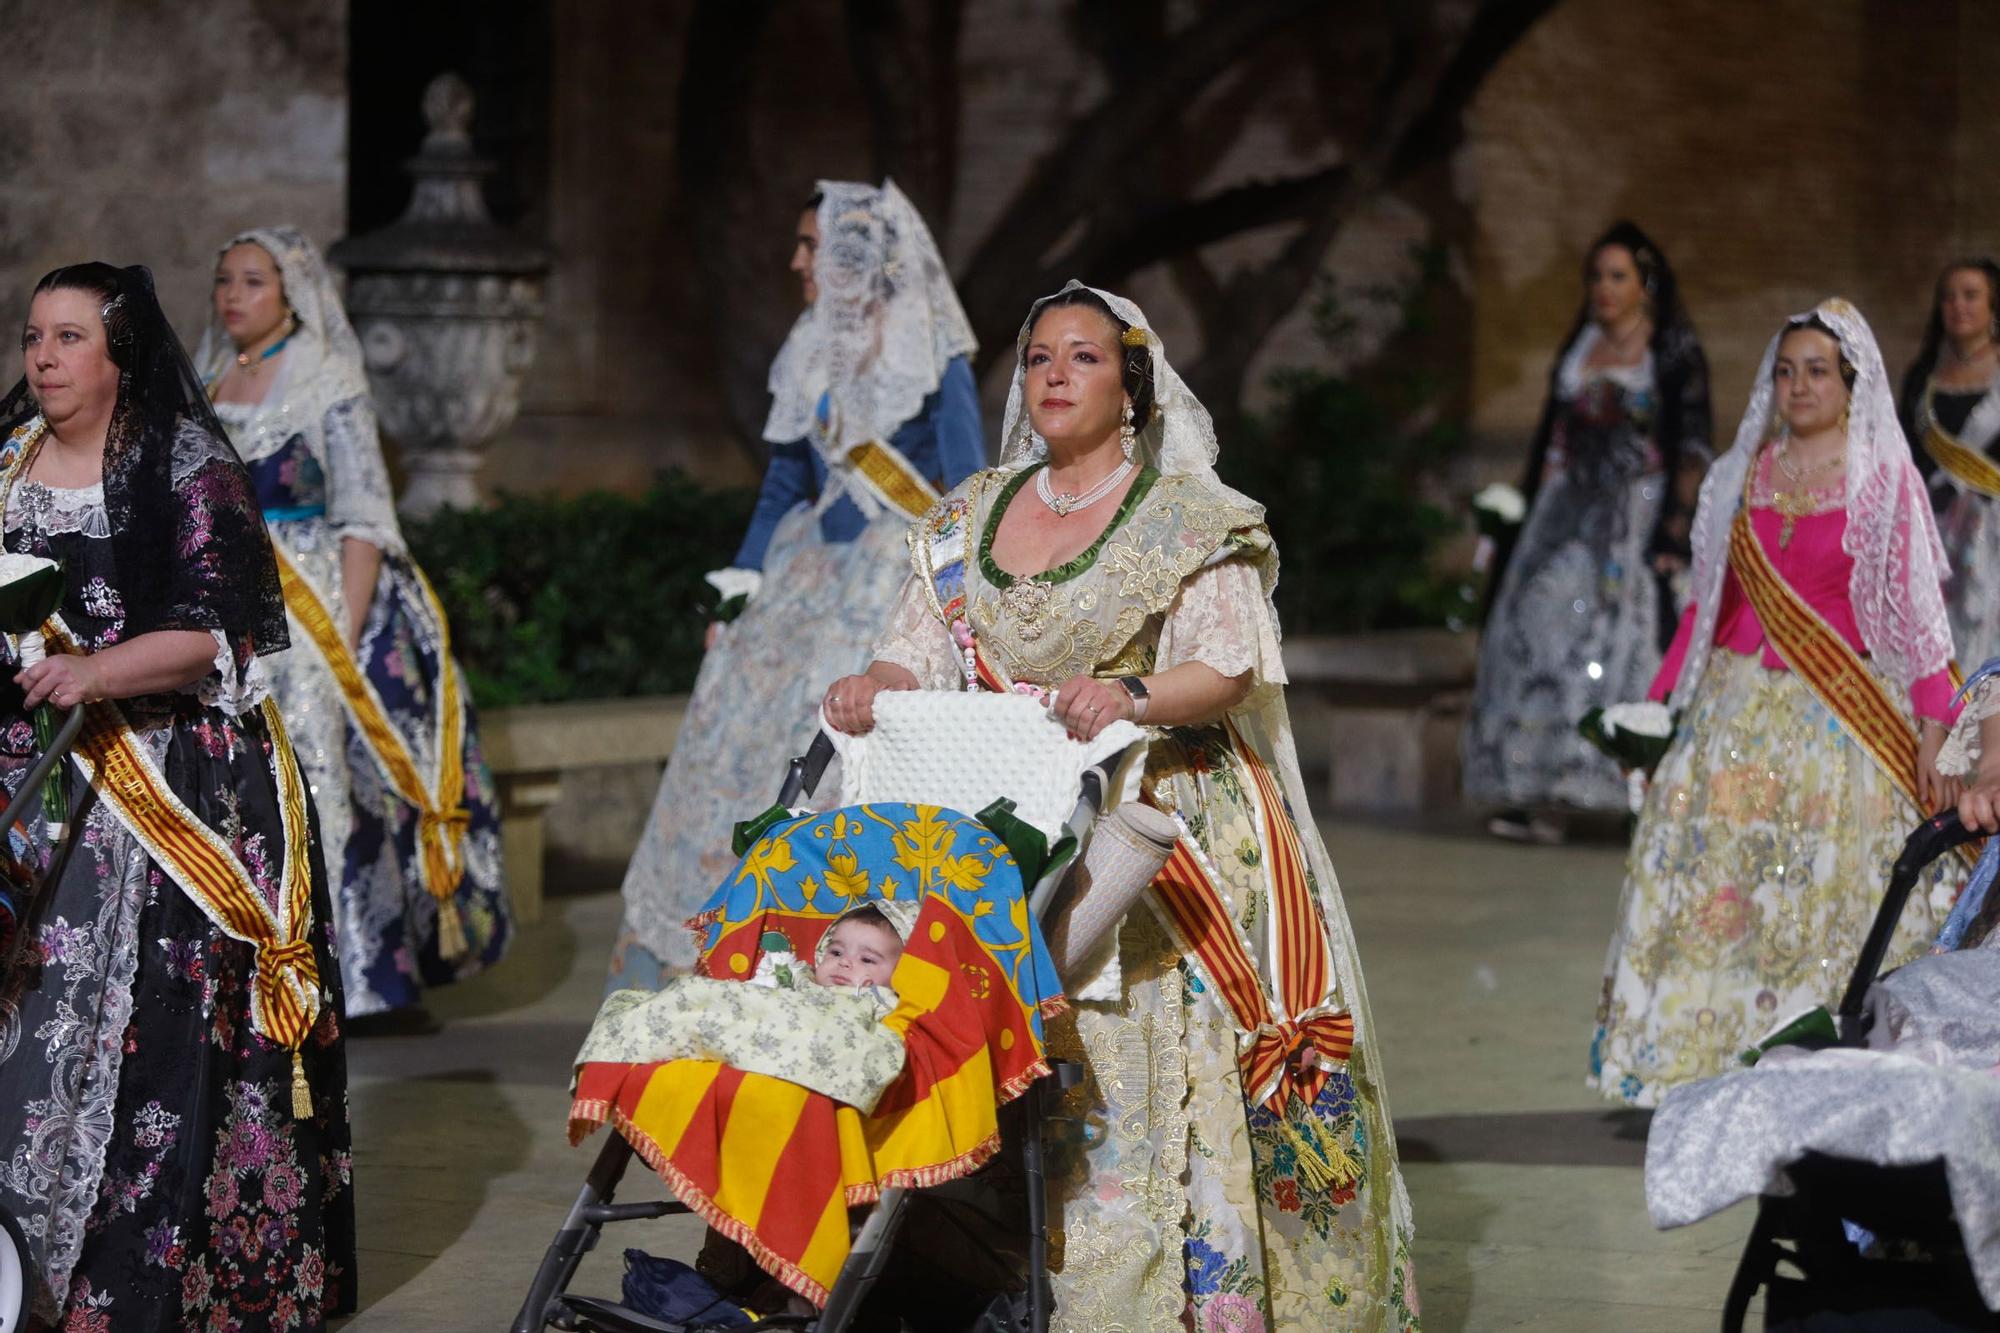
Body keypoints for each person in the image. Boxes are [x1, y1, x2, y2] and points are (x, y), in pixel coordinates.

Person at [822, 282, 1419, 1330]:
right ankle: (993, 1281)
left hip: (1158, 824)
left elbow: (1226, 666)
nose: (1054, 374)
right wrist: (876, 683)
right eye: (1039, 357)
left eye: (1083, 358)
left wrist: (1132, 694)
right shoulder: (970, 512)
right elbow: (916, 643)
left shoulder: (1188, 516)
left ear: (1132, 388)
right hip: (1013, 821)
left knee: (1140, 1078)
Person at [0, 263, 354, 1327]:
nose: (43, 359)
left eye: (68, 339)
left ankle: (126, 1281)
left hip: (166, 772)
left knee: (142, 1029)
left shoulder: (182, 462)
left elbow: (218, 629)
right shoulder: (11, 457)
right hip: (38, 761)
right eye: (33, 337)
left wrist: (95, 672)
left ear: (120, 356)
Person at [1591, 299, 1969, 1107]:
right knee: (1716, 896)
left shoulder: (1881, 479)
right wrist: (1660, 709)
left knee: (1820, 900)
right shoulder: (1743, 473)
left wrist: (1937, 727)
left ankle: (1816, 1069)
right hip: (1731, 717)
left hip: (1839, 728)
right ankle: (1700, 1063)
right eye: (1786, 371)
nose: (1799, 386)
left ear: (1851, 382)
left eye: (1817, 371)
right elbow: (1705, 609)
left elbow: (1917, 623)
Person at [610, 179, 985, 991]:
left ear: (861, 254)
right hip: (802, 578)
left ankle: (823, 960)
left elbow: (967, 491)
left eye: (811, 245)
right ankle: (706, 955)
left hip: (889, 589)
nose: (797, 261)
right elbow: (784, 481)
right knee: (733, 760)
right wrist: (741, 582)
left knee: (835, 767)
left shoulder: (935, 351)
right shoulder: (809, 344)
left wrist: (966, 611)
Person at [196, 226, 510, 1016]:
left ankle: (347, 976)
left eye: (253, 281)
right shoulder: (207, 375)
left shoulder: (328, 380)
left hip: (310, 607)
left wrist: (346, 630)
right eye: (226, 280)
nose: (234, 295)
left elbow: (364, 515)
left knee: (317, 771)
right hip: (219, 600)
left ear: (291, 292)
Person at [1464, 222, 1712, 842]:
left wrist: (1675, 532)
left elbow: (1691, 446)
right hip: (1565, 512)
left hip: (1633, 517)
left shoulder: (1670, 351)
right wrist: (1521, 515)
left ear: (1645, 284)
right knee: (1534, 626)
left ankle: (1617, 787)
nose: (1605, 288)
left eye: (1618, 276)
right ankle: (1532, 789)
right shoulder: (1579, 348)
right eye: (1597, 276)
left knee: (1617, 643)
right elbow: (1551, 437)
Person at [1899, 258, 2000, 667]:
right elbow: (1903, 451)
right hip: (1933, 535)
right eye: (1949, 297)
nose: (1958, 305)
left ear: (1994, 305)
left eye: (1971, 295)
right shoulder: (1923, 374)